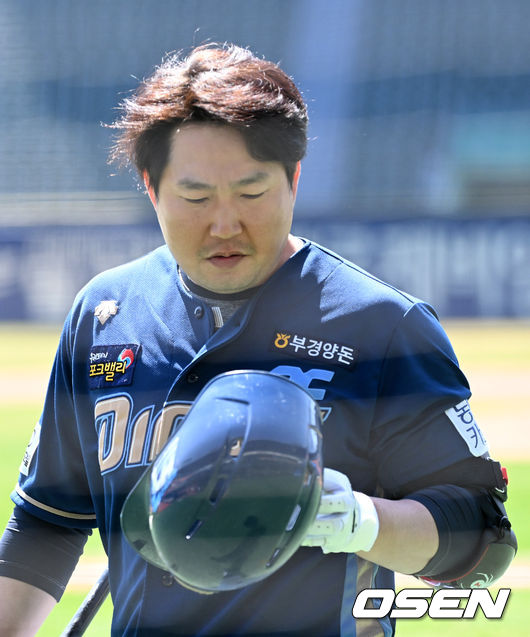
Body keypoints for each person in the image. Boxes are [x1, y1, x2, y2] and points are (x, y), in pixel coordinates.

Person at [0, 43, 516, 636]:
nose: (225, 224)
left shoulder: (382, 327)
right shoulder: (105, 314)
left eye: (251, 192)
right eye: (196, 197)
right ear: (151, 187)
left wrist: (357, 520)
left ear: (293, 179)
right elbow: (46, 523)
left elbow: (482, 540)